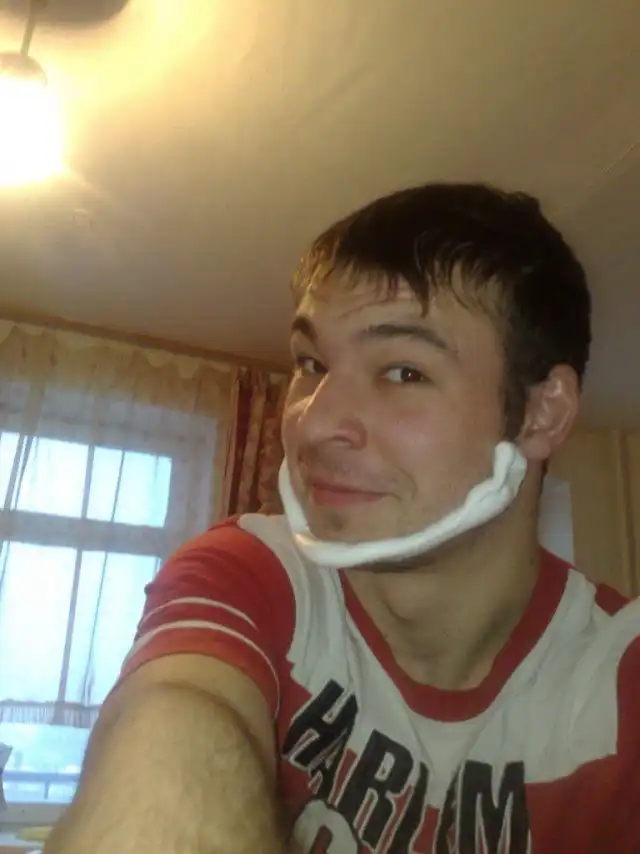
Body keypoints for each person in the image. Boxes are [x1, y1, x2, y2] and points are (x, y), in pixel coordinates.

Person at [44, 183, 640, 854]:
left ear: (541, 413)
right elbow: (174, 716)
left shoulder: (624, 680)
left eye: (404, 372)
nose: (313, 421)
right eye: (311, 363)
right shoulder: (251, 575)